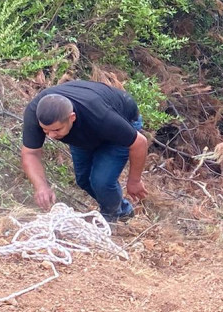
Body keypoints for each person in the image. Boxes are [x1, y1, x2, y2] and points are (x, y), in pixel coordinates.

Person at [21, 80, 149, 222]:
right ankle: (123, 210)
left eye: (56, 130)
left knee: (101, 181)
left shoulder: (102, 117)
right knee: (84, 179)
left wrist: (134, 180)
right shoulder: (34, 113)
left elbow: (139, 143)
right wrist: (41, 187)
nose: (51, 136)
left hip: (121, 122)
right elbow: (30, 153)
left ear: (72, 118)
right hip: (84, 132)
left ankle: (112, 217)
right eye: (45, 130)